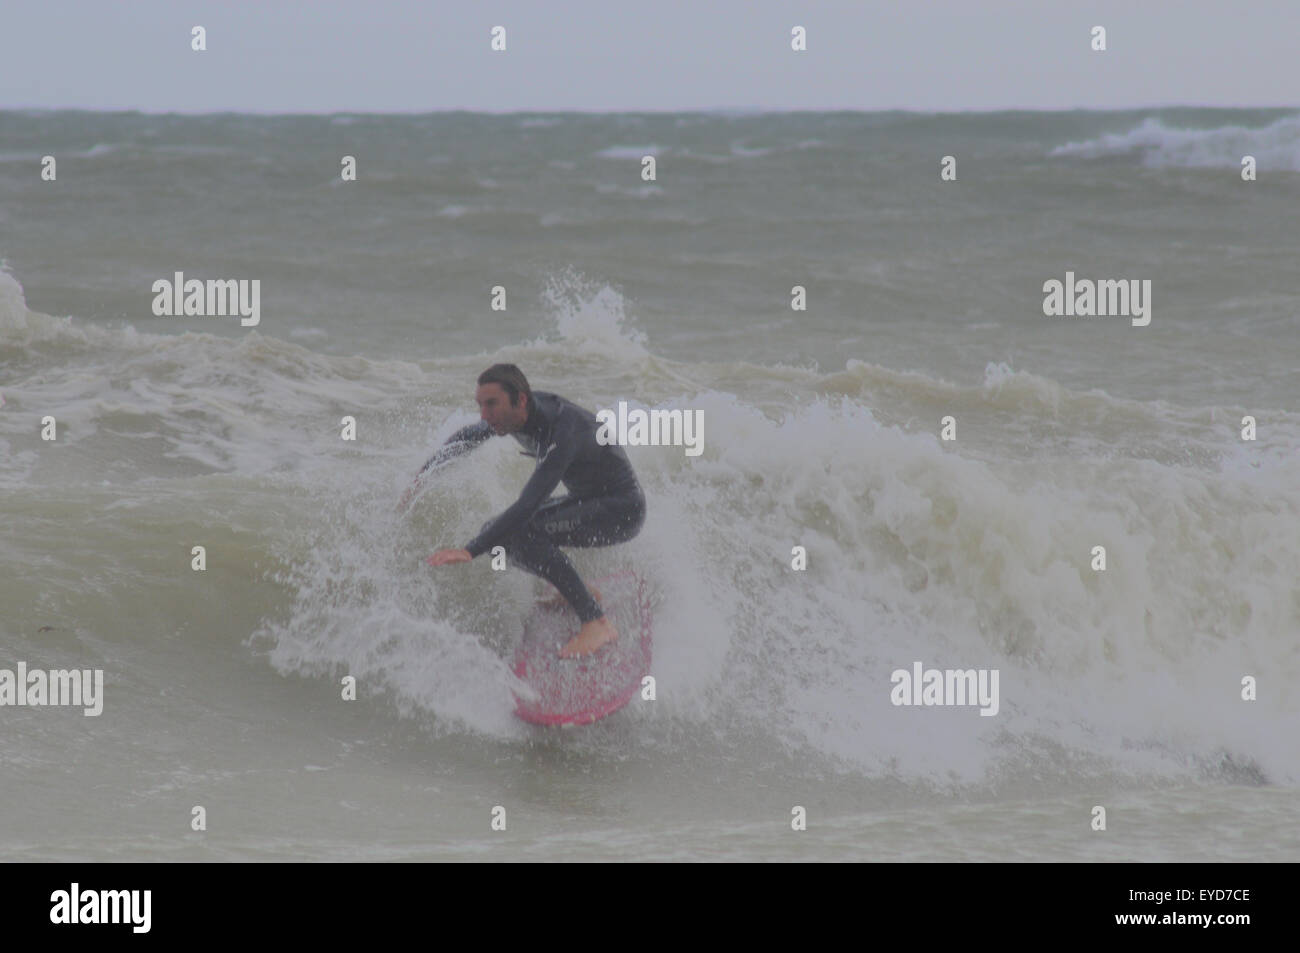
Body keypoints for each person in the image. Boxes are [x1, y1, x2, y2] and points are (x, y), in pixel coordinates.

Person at [415, 364, 645, 658]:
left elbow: (527, 505)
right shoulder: (512, 414)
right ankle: (580, 593)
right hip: (588, 501)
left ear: (520, 400)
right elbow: (469, 435)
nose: (484, 415)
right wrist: (424, 475)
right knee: (495, 532)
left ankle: (596, 622)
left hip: (621, 512)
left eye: (491, 404)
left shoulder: (564, 429)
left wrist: (470, 550)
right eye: (480, 405)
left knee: (523, 530)